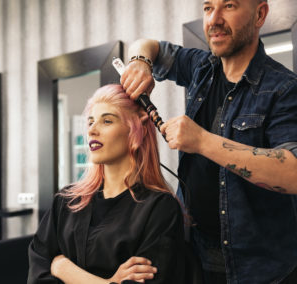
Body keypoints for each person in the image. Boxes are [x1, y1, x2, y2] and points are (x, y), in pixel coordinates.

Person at [120, 0, 297, 283]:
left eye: (228, 6)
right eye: (207, 8)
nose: (213, 19)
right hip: (194, 257)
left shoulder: (284, 88)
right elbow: (146, 44)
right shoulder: (200, 67)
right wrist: (140, 63)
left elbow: (293, 173)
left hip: (259, 270)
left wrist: (202, 141)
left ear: (260, 14)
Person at [27, 84, 185, 284]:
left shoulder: (160, 208)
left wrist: (64, 269)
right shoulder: (66, 201)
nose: (92, 130)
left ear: (136, 129)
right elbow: (37, 275)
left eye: (107, 121)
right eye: (90, 122)